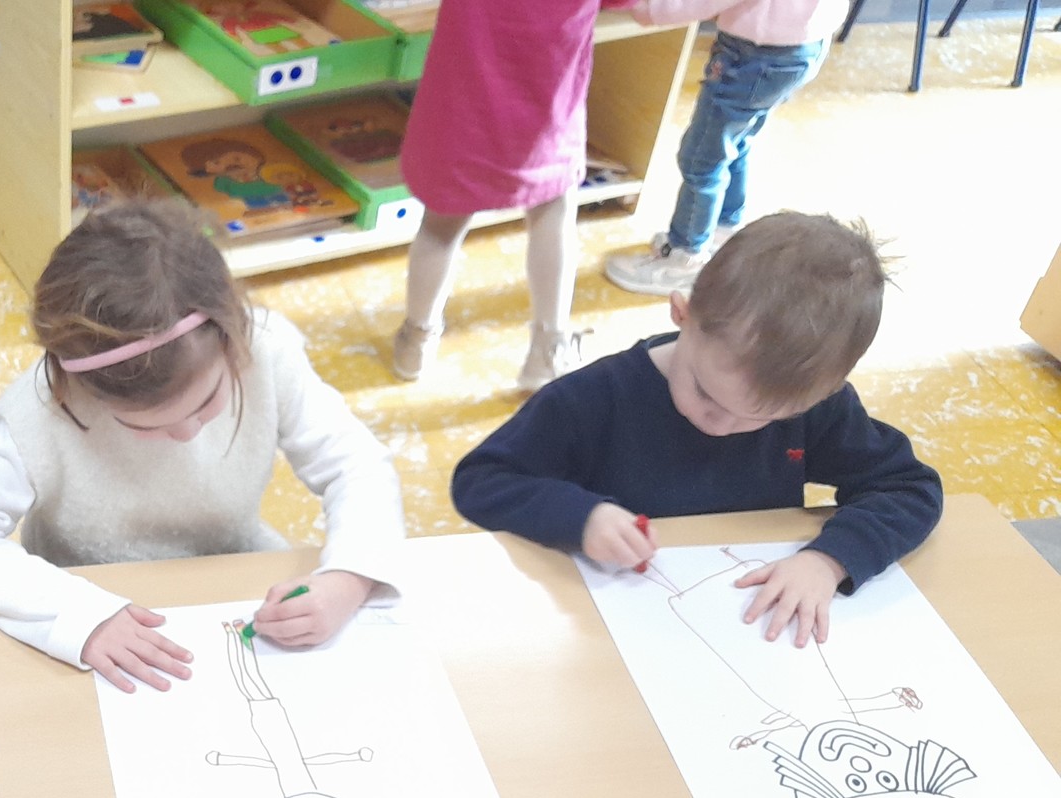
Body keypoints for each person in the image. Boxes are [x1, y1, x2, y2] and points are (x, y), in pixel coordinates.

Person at [0, 200, 405, 693]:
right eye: (145, 427)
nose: (188, 434)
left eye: (206, 404)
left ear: (232, 335)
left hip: (234, 577)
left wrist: (349, 577)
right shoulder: (38, 412)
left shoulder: (265, 352)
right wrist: (76, 616)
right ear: (82, 390)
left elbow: (358, 465)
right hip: (90, 598)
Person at [450, 213, 943, 646]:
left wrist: (830, 560)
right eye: (706, 394)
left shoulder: (818, 407)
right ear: (682, 314)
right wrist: (582, 517)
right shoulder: (593, 398)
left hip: (741, 630)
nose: (721, 425)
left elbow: (908, 487)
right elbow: (482, 480)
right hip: (608, 626)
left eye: (765, 418)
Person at [391, 0, 633, 390]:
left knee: (440, 224)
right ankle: (548, 350)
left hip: (463, 105)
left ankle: (416, 340)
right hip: (545, 103)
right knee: (554, 209)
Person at [603, 0, 848, 296]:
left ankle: (685, 256)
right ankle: (721, 228)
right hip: (801, 44)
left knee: (701, 158)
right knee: (734, 141)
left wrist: (648, 9)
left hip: (756, 54)